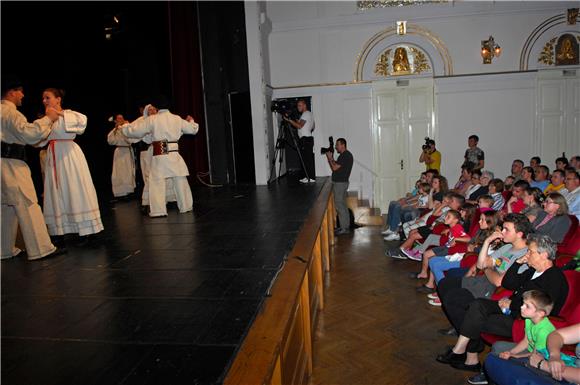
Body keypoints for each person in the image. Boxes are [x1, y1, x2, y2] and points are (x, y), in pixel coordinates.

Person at [436, 233, 568, 374]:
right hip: (510, 308)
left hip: (521, 321)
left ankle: (464, 353)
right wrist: (517, 263)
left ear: (544, 254)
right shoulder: (532, 271)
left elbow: (544, 308)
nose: (528, 254)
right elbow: (508, 283)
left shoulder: (554, 278)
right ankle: (467, 354)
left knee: (473, 316)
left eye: (531, 251)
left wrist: (512, 305)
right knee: (467, 301)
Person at [1, 77, 65, 260]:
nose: (22, 95)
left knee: (5, 206)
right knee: (27, 203)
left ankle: (3, 248)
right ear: (11, 92)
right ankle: (41, 248)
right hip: (12, 163)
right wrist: (48, 119)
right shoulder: (10, 113)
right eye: (20, 91)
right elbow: (29, 134)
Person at [37, 88, 103, 240]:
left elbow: (82, 122)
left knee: (74, 188)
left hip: (68, 155)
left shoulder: (68, 114)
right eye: (43, 98)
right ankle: (63, 229)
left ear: (58, 99)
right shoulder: (46, 120)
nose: (44, 101)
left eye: (47, 97)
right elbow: (38, 139)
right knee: (57, 191)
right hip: (53, 156)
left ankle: (86, 230)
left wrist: (59, 113)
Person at [122, 95, 198, 217]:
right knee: (179, 179)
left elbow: (134, 131)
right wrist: (191, 121)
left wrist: (125, 127)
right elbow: (193, 129)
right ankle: (186, 206)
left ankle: (158, 211)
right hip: (174, 153)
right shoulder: (176, 118)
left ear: (157, 107)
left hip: (160, 153)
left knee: (157, 181)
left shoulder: (152, 120)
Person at [326, 138, 353, 235]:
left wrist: (329, 158)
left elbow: (334, 167)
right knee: (342, 205)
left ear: (343, 145)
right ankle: (344, 226)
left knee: (340, 205)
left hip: (340, 184)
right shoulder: (344, 155)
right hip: (341, 183)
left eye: (337, 145)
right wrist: (332, 159)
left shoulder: (345, 155)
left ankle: (344, 228)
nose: (335, 147)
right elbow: (336, 167)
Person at [285, 99, 315, 183]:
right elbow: (313, 126)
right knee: (306, 159)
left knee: (307, 159)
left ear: (304, 105)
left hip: (305, 139)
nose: (298, 107)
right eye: (297, 105)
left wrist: (289, 120)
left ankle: (311, 178)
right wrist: (300, 123)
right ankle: (307, 176)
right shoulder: (309, 114)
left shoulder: (305, 114)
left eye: (300, 105)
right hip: (307, 138)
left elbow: (299, 126)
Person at [107, 114, 136, 198]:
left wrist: (125, 126)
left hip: (127, 151)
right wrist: (116, 129)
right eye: (119, 119)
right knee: (119, 172)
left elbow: (131, 138)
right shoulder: (114, 130)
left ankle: (129, 192)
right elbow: (110, 141)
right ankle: (120, 193)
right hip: (119, 152)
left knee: (128, 171)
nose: (121, 120)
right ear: (115, 121)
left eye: (122, 118)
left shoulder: (127, 128)